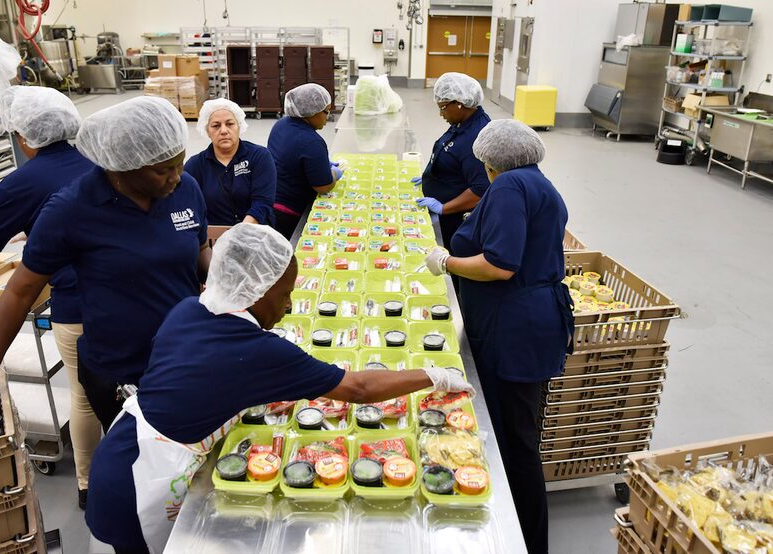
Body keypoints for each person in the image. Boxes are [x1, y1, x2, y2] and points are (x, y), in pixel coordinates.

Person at [85, 224, 473, 553]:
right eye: (285, 294)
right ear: (257, 291)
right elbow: (357, 388)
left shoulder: (190, 308)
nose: (289, 306)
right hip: (139, 479)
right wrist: (431, 374)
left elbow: (198, 376)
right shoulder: (258, 350)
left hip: (123, 443)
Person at [0, 96, 211, 448]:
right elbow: (19, 292)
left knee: (192, 453)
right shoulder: (70, 210)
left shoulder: (185, 189)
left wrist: (231, 286)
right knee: (139, 463)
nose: (176, 177)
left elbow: (199, 251)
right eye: (163, 170)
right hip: (120, 372)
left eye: (179, 164)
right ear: (120, 165)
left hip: (184, 355)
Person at [0, 86, 100, 508]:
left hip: (75, 304)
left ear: (23, 137)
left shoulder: (22, 181)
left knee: (84, 395)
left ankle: (87, 483)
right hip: (128, 295)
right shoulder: (104, 159)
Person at [424, 120, 574, 554]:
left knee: (517, 440)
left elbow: (500, 264)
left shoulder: (508, 188)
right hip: (529, 319)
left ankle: (524, 538)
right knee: (519, 430)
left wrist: (447, 261)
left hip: (516, 329)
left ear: (490, 162)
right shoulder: (536, 182)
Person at [415, 72, 491, 252]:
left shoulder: (476, 136)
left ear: (459, 103)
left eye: (442, 107)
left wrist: (443, 208)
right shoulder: (463, 122)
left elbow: (480, 189)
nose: (441, 113)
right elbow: (450, 151)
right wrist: (431, 176)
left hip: (456, 221)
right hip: (445, 210)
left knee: (454, 261)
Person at [184, 99, 275, 225]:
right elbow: (188, 208)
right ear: (207, 131)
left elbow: (263, 202)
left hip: (257, 235)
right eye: (216, 126)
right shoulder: (195, 166)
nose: (224, 131)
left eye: (230, 124)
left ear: (239, 126)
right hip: (215, 239)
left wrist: (241, 232)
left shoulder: (259, 156)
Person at [268, 83, 342, 239]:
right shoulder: (312, 142)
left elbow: (291, 159)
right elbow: (323, 187)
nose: (327, 118)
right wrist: (334, 173)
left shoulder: (281, 125)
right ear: (311, 112)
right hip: (290, 213)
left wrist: (318, 164)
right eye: (325, 111)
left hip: (270, 202)